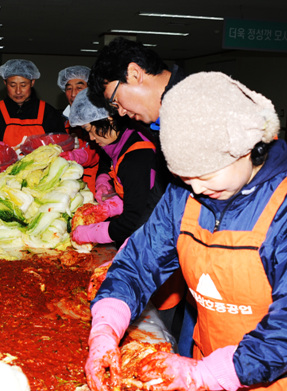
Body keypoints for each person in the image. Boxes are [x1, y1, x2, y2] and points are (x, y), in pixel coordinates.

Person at [85, 72, 287, 391]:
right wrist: (105, 328)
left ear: (248, 148)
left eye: (205, 175)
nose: (195, 189)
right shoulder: (187, 193)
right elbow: (138, 262)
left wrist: (203, 373)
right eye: (184, 177)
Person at [88, 37, 192, 353]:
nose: (120, 112)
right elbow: (164, 204)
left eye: (116, 102)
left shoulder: (193, 108)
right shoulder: (162, 121)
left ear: (134, 74)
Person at [68, 89, 160, 249]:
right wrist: (111, 200)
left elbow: (133, 219)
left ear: (109, 119)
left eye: (90, 130)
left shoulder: (136, 156)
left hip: (153, 230)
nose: (90, 138)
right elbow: (138, 191)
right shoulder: (123, 136)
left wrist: (91, 233)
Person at [0, 58, 66, 147]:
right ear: (5, 83)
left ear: (32, 82)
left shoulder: (49, 114)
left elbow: (60, 145)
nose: (18, 91)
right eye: (12, 85)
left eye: (23, 85)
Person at [56, 65, 100, 193]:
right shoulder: (60, 121)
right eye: (69, 89)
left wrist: (77, 156)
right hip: (66, 187)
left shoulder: (101, 118)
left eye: (79, 88)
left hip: (94, 187)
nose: (73, 94)